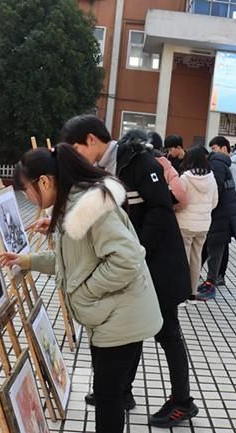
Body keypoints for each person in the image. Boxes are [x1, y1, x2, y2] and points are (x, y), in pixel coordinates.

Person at [0, 145, 163, 433]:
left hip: (121, 318)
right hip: (113, 315)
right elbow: (74, 262)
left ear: (45, 182)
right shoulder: (71, 207)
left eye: (26, 189)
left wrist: (85, 293)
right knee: (107, 395)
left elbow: (128, 259)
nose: (26, 197)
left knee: (108, 398)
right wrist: (27, 260)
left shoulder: (87, 209)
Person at [60, 116, 197, 427]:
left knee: (168, 332)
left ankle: (183, 401)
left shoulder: (139, 161)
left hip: (156, 263)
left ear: (92, 140)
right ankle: (122, 391)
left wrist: (139, 254)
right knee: (130, 329)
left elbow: (161, 210)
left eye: (76, 148)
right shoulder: (101, 170)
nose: (76, 156)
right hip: (136, 263)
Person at [198, 136, 236, 300]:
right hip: (224, 213)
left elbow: (214, 191)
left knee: (214, 249)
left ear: (224, 148)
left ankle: (210, 282)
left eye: (215, 148)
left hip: (218, 214)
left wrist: (206, 208)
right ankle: (210, 278)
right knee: (213, 248)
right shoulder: (224, 164)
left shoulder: (217, 164)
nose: (212, 151)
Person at [176, 146, 218, 301]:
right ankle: (192, 292)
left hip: (185, 223)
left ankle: (181, 293)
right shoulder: (211, 178)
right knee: (196, 257)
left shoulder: (185, 178)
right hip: (203, 225)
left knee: (184, 259)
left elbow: (180, 201)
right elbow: (215, 202)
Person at [148, 132, 188, 208]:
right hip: (169, 195)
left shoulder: (189, 160)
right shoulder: (166, 159)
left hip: (182, 196)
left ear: (179, 147)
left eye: (170, 150)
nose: (169, 152)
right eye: (167, 150)